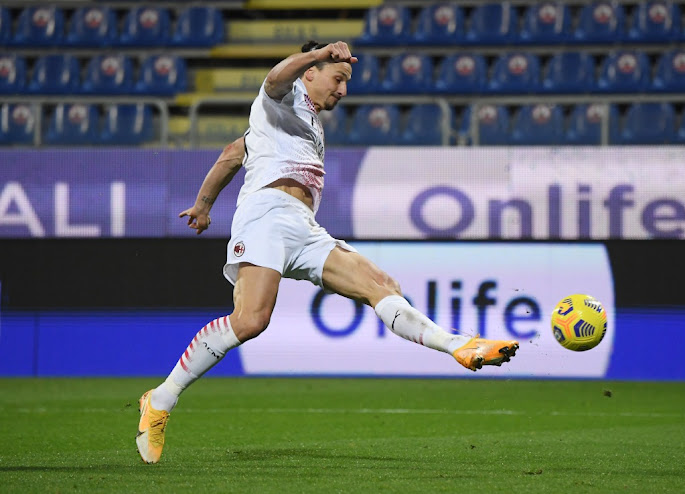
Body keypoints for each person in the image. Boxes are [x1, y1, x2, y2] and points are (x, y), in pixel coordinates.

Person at [136, 40, 519, 464]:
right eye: (338, 79)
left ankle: (458, 345)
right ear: (311, 73)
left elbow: (232, 154)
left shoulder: (303, 124)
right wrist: (317, 55)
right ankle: (160, 399)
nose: (343, 90)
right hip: (265, 213)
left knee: (380, 284)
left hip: (303, 227)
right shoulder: (280, 97)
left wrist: (205, 206)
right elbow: (274, 76)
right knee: (250, 321)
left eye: (346, 82)